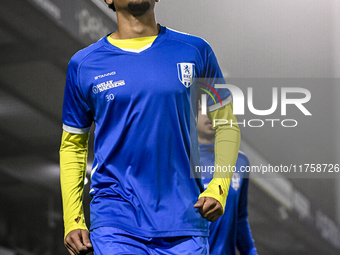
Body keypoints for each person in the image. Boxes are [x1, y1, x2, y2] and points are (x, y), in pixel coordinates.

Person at [59, 0, 240, 254]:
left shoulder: (196, 51)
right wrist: (72, 218)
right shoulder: (84, 64)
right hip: (115, 220)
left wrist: (219, 186)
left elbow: (227, 124)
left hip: (185, 221)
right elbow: (72, 146)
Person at [197, 106, 257, 255]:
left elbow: (239, 218)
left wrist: (250, 251)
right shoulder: (179, 158)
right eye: (203, 108)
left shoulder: (240, 161)